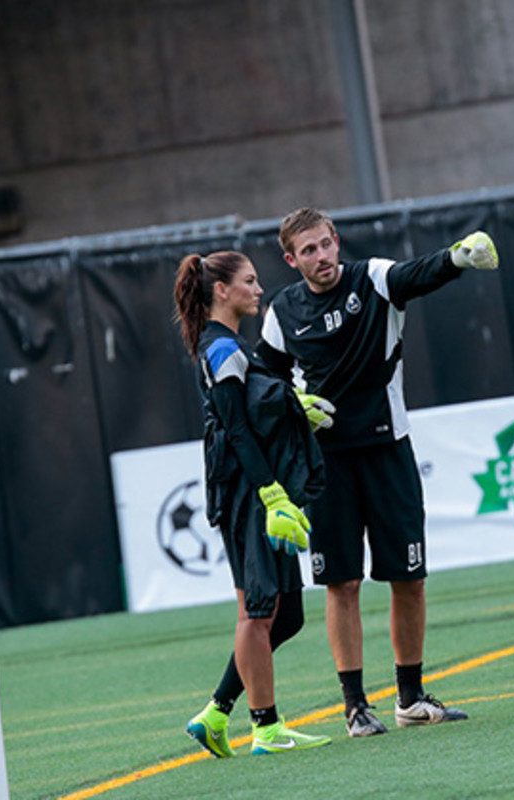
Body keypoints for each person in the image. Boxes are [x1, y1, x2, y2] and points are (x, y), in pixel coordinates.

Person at [255, 207, 499, 737]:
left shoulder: (373, 280)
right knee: (341, 583)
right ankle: (354, 707)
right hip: (326, 464)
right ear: (291, 259)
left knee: (408, 578)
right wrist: (293, 400)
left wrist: (458, 257)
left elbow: (419, 273)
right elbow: (262, 382)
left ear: (336, 240)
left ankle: (409, 698)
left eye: (326, 245)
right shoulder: (282, 311)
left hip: (389, 450)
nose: (321, 257)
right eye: (308, 251)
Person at [174, 250, 331, 757]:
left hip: (262, 486)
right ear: (222, 290)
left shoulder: (234, 345)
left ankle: (217, 713)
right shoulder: (219, 349)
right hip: (250, 491)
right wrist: (270, 491)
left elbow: (253, 412)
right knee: (258, 610)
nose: (259, 289)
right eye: (249, 280)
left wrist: (292, 407)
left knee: (287, 617)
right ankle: (265, 729)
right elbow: (236, 429)